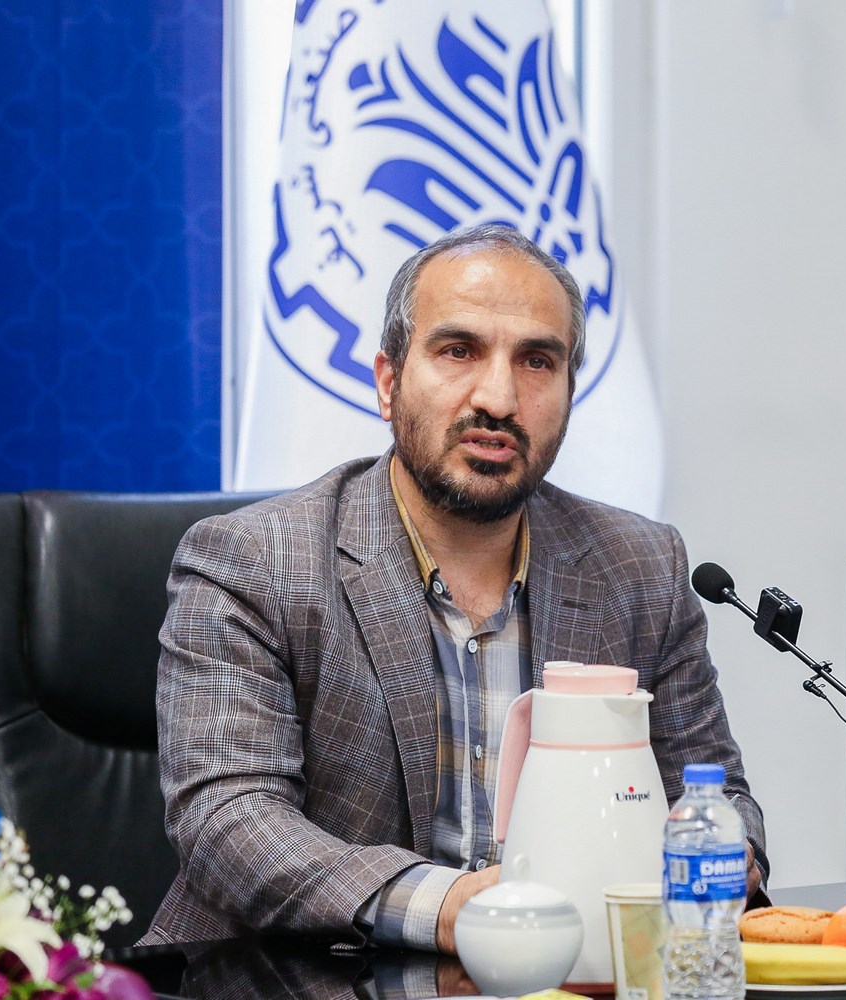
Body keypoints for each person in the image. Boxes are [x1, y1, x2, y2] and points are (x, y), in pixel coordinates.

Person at [142, 224, 767, 953]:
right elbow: (230, 820)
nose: (499, 398)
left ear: (569, 393)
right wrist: (455, 907)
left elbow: (715, 796)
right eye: (459, 351)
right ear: (388, 382)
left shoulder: (640, 566)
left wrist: (723, 852)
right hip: (298, 977)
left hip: (569, 978)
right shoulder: (252, 560)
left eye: (537, 361)